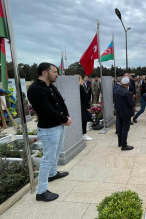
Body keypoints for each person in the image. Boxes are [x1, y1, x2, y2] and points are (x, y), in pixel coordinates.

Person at [27, 62, 72, 202]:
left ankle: (52, 174)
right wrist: (64, 118)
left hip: (58, 125)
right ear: (45, 72)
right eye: (54, 72)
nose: (57, 74)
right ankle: (41, 192)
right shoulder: (36, 89)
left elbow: (60, 102)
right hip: (48, 129)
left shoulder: (49, 85)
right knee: (48, 158)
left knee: (56, 153)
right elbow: (46, 110)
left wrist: (65, 117)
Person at [114, 77, 136, 150]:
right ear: (127, 84)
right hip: (126, 113)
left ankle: (120, 143)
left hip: (119, 112)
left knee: (119, 128)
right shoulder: (127, 92)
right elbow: (132, 103)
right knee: (125, 129)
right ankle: (124, 145)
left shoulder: (116, 91)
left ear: (121, 83)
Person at [76, 75, 93, 141]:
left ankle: (83, 134)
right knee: (83, 121)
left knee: (82, 121)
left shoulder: (79, 87)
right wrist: (88, 107)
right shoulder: (80, 87)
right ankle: (84, 134)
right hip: (81, 106)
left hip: (79, 106)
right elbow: (85, 98)